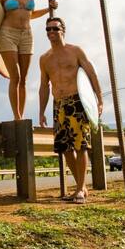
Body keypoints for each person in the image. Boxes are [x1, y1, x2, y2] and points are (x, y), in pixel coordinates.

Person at [38, 17, 102, 204]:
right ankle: (81, 186)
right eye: (48, 29)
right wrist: (41, 111)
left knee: (81, 146)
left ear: (63, 30)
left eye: (55, 29)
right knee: (65, 148)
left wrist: (99, 99)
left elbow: (91, 73)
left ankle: (80, 190)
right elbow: (44, 86)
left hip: (77, 101)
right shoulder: (45, 59)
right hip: (58, 104)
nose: (51, 33)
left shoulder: (75, 51)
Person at [0, 0, 56, 120]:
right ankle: (16, 117)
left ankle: (21, 116)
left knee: (24, 78)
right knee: (14, 76)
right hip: (7, 34)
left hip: (27, 35)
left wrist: (48, 9)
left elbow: (31, 13)